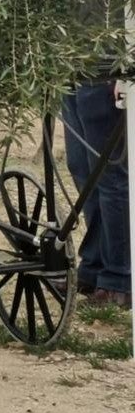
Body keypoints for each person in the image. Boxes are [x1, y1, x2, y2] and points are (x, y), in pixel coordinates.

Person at [61, 84, 131, 307]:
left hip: (106, 66)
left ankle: (119, 281)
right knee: (82, 169)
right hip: (74, 68)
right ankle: (94, 267)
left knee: (110, 177)